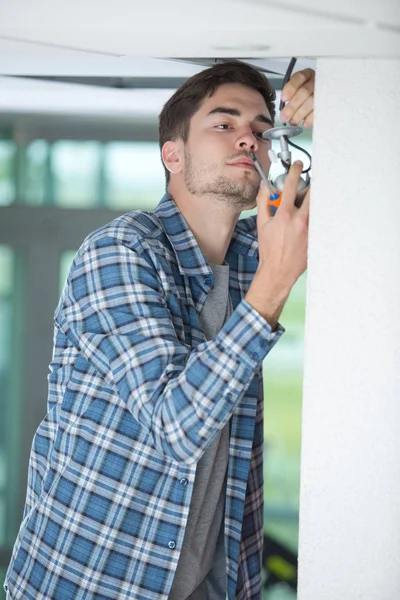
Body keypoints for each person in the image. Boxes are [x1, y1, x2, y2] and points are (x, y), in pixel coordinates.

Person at [5, 61, 315, 600]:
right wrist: (273, 287)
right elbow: (175, 426)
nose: (249, 137)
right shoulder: (120, 252)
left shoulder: (254, 252)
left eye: (263, 129)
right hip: (86, 586)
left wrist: (345, 103)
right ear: (173, 154)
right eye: (224, 123)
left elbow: (373, 213)